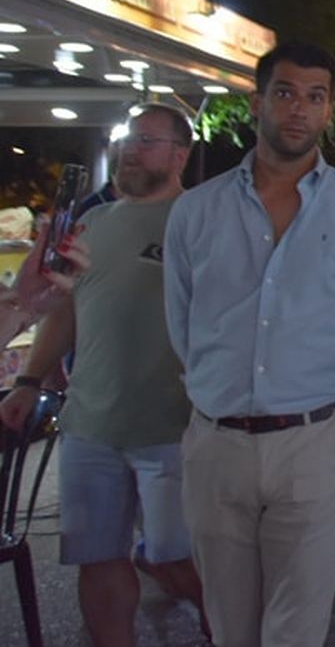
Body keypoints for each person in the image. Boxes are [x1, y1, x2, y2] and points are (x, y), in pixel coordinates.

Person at [163, 42, 335, 645]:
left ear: (329, 110)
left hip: (313, 438)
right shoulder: (197, 211)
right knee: (228, 624)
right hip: (217, 440)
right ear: (258, 103)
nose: (298, 109)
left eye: (315, 97)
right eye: (285, 93)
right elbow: (182, 319)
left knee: (297, 627)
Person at [1, 105, 206, 647]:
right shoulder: (91, 223)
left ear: (179, 155)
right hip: (90, 423)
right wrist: (30, 381)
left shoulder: (199, 222)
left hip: (173, 426)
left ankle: (229, 626)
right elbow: (65, 310)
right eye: (126, 140)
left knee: (175, 560)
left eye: (146, 140)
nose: (130, 150)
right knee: (98, 560)